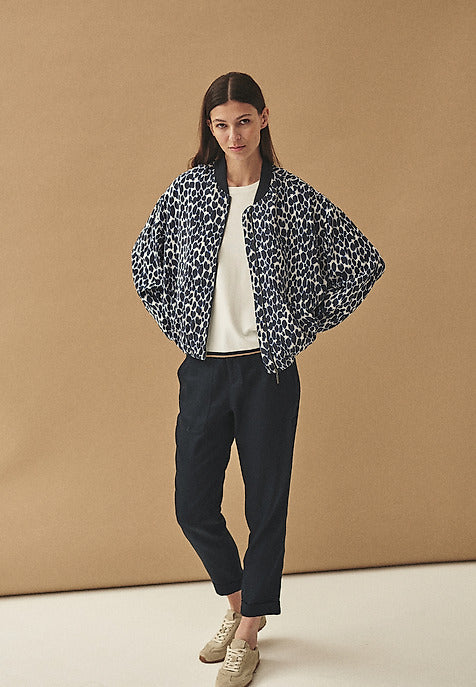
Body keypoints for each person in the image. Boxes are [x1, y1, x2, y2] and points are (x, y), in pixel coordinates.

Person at [131, 71, 385, 687]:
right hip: (205, 371)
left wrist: (296, 328)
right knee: (192, 504)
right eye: (221, 125)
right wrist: (185, 327)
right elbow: (144, 264)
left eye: (243, 121)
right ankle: (242, 599)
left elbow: (361, 263)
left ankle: (248, 630)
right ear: (210, 128)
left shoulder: (291, 197)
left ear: (263, 119)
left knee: (266, 503)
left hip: (268, 372)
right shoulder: (190, 192)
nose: (233, 135)